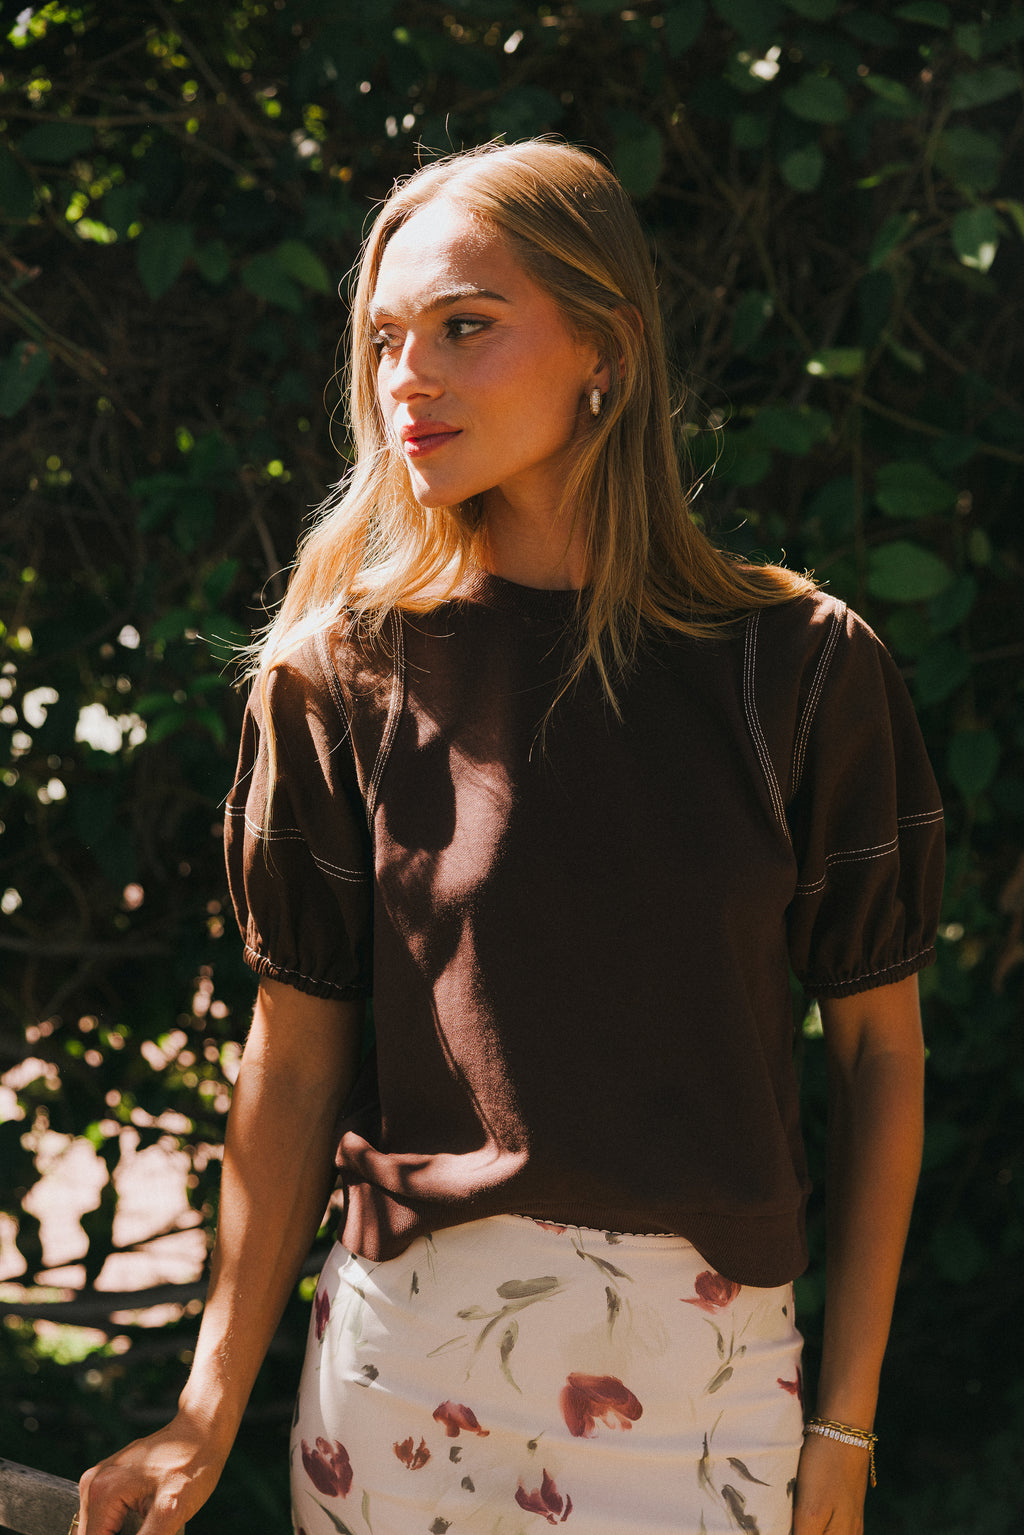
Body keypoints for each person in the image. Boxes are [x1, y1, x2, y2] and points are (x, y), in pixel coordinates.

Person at [79, 139, 944, 1535]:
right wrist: (203, 1412)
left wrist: (845, 1426)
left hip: (705, 1408)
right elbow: (294, 1062)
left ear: (608, 348)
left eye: (464, 327)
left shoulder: (799, 671)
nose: (407, 377)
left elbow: (880, 1053)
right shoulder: (337, 677)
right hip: (400, 1397)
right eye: (385, 341)